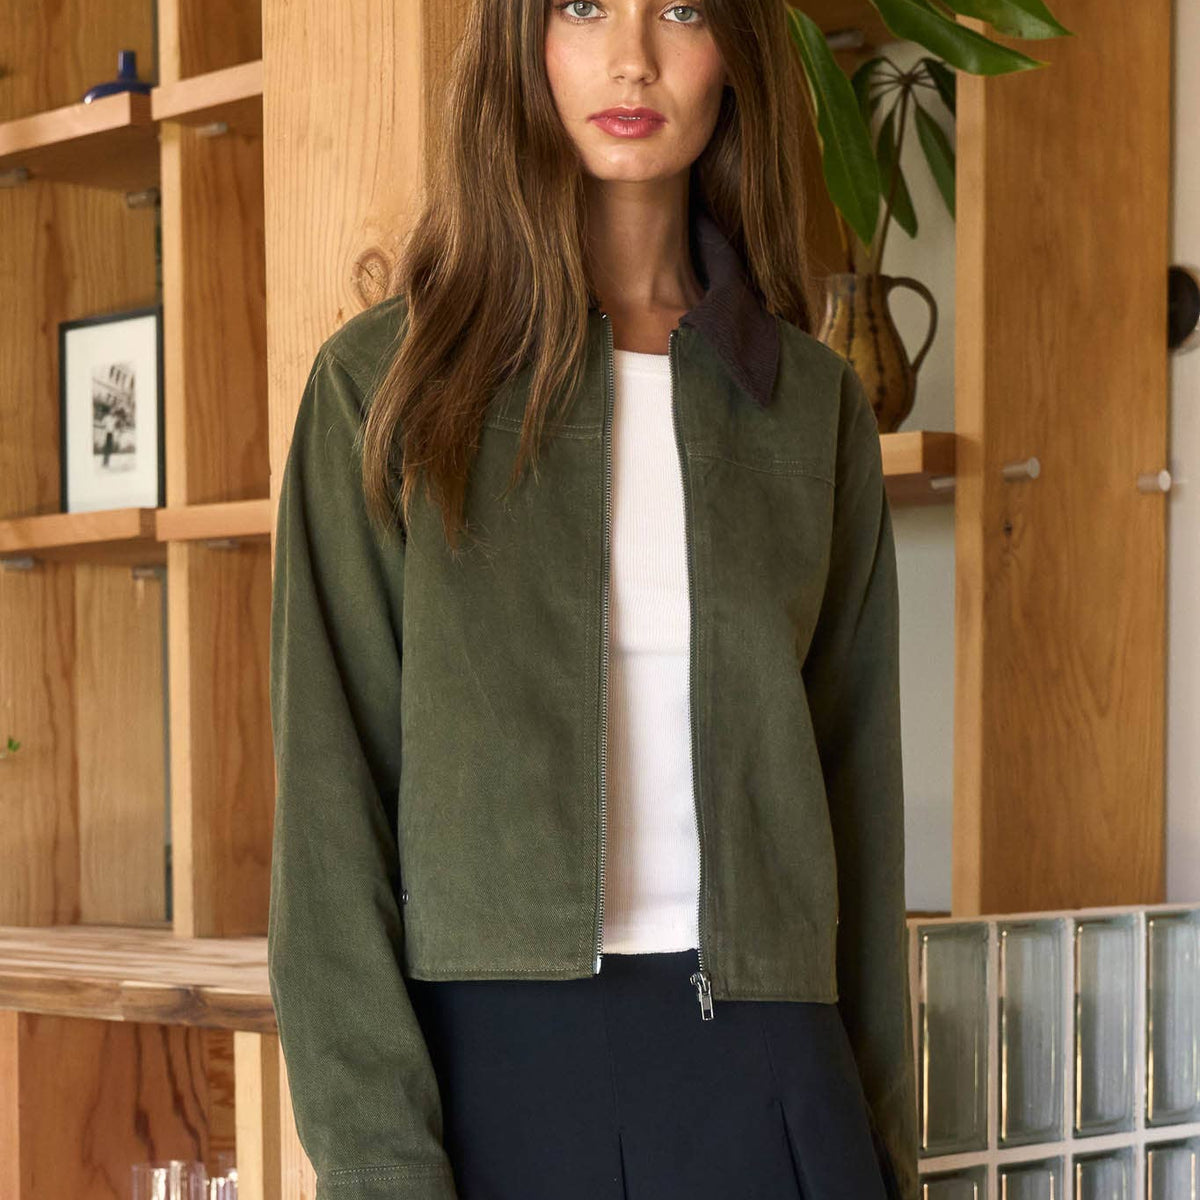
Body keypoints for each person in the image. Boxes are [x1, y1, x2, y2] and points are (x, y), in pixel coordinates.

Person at [267, 1, 918, 1198]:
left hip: (780, 1079)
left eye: (678, 8)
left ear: (735, 47)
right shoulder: (383, 392)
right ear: (523, 40)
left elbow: (858, 804)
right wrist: (379, 1169)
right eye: (581, 7)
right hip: (496, 1089)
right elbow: (327, 819)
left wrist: (882, 1150)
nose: (632, 58)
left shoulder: (814, 408)